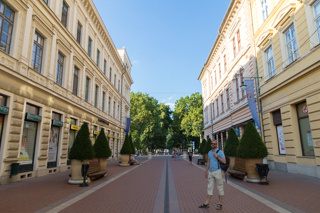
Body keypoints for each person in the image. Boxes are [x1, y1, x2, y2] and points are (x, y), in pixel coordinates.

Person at [198, 140, 226, 210]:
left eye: (214, 143)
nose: (213, 144)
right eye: (212, 143)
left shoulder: (220, 152)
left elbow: (224, 161)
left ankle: (220, 203)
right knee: (209, 187)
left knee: (220, 187)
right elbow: (208, 162)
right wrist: (206, 171)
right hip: (211, 172)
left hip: (218, 172)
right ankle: (206, 203)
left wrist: (217, 157)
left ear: (217, 144)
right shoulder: (209, 152)